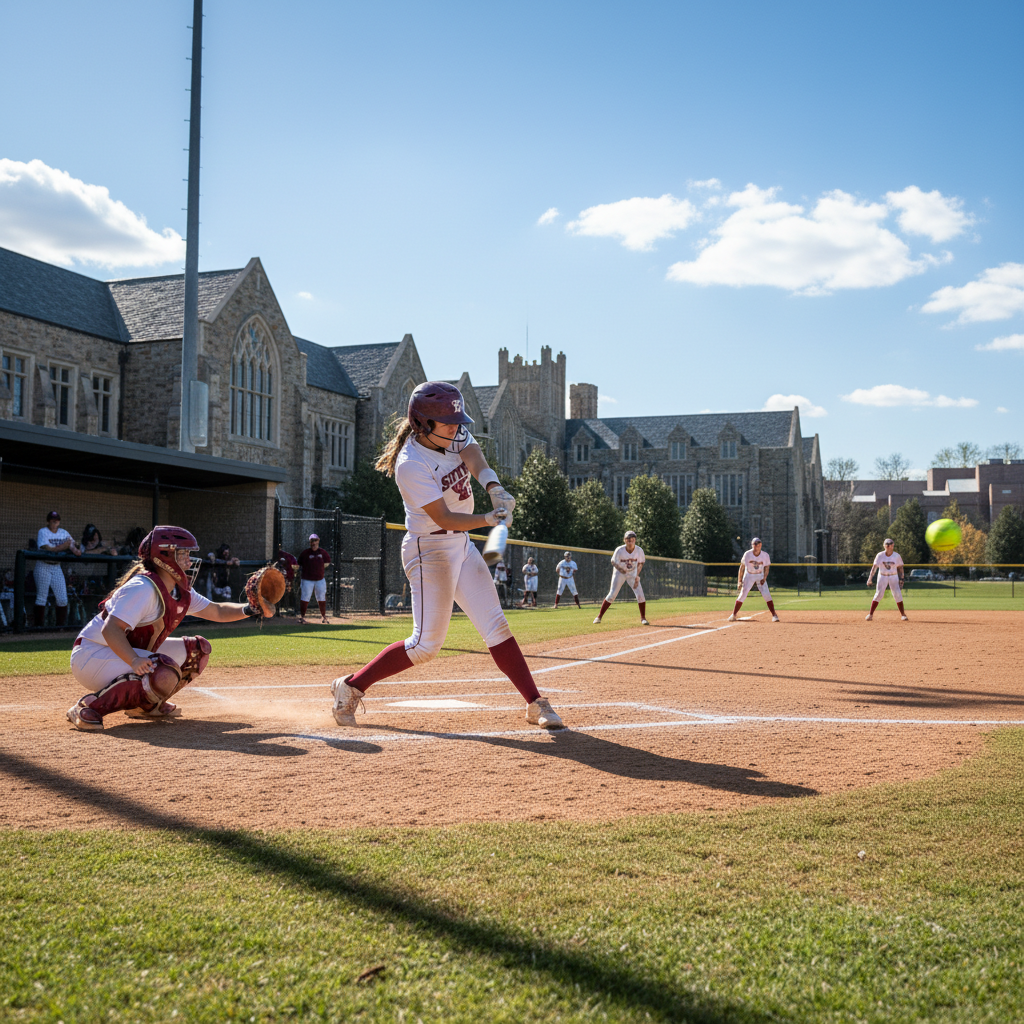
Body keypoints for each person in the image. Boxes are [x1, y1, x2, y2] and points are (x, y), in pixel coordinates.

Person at [329, 381, 563, 730]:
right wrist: (488, 518)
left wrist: (494, 487)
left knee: (496, 626)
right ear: (423, 424)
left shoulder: (450, 435)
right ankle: (351, 687)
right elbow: (443, 518)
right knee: (425, 646)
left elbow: (473, 454)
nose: (457, 427)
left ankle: (535, 702)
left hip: (460, 546)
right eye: (449, 422)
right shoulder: (411, 464)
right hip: (430, 550)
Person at [66, 525, 265, 731]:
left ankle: (146, 705)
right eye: (183, 553)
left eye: (189, 553)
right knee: (162, 669)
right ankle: (88, 706)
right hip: (92, 654)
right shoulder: (143, 588)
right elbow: (110, 630)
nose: (189, 560)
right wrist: (134, 660)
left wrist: (252, 608)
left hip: (119, 650)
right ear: (164, 556)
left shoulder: (179, 589)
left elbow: (217, 611)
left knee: (197, 650)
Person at [34, 511, 81, 628]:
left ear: (59, 521)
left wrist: (75, 547)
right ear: (48, 521)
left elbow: (73, 545)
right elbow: (48, 549)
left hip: (56, 566)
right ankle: (38, 627)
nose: (54, 522)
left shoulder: (63, 532)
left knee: (62, 599)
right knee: (41, 597)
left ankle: (59, 628)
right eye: (52, 520)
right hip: (43, 565)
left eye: (56, 520)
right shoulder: (43, 532)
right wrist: (64, 546)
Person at [593, 530, 648, 625]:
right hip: (619, 573)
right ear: (624, 540)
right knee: (612, 595)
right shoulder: (620, 550)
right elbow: (613, 561)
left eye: (632, 539)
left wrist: (636, 576)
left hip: (632, 574)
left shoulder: (639, 550)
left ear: (635, 540)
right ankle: (599, 617)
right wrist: (620, 569)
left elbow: (641, 563)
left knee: (640, 595)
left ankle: (643, 618)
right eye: (628, 539)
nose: (630, 541)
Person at [728, 536, 779, 622]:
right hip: (749, 575)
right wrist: (739, 581)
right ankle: (734, 615)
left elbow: (766, 568)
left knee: (766, 594)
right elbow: (742, 568)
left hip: (760, 575)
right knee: (743, 594)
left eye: (758, 544)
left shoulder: (765, 555)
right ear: (752, 545)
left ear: (761, 545)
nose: (756, 545)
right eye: (754, 544)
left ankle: (774, 615)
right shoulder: (747, 554)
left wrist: (764, 577)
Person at [866, 537, 908, 621]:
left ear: (893, 545)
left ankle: (903, 614)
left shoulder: (896, 556)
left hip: (893, 576)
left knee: (897, 594)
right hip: (882, 575)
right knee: (878, 594)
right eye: (887, 544)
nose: (888, 546)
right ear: (884, 545)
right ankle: (870, 614)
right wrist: (869, 579)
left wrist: (902, 579)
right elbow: (874, 567)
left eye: (890, 544)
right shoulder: (880, 555)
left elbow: (900, 568)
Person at [297, 534, 331, 623]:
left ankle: (324, 617)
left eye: (315, 540)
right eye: (312, 541)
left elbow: (327, 563)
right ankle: (302, 617)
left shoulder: (323, 552)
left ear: (318, 541)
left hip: (320, 579)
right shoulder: (305, 553)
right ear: (310, 542)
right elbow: (299, 563)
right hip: (307, 580)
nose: (314, 543)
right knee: (305, 597)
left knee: (321, 597)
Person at [274, 547, 299, 615]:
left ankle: (289, 608)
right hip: (276, 580)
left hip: (286, 578)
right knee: (277, 594)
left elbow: (295, 565)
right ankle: (277, 611)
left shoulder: (286, 556)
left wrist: (291, 577)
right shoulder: (274, 556)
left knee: (288, 593)